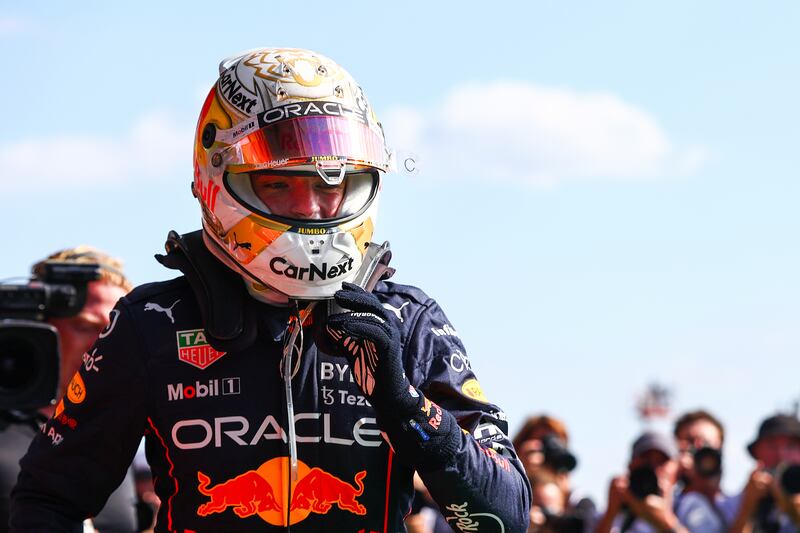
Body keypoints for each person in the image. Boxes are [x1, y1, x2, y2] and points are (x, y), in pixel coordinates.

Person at [10, 48, 532, 532]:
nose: (310, 209)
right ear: (217, 181)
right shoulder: (153, 322)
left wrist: (403, 404)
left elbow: (505, 520)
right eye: (279, 183)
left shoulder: (407, 319)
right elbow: (46, 499)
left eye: (330, 184)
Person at [0, 247, 138, 532]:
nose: (100, 343)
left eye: (113, 330)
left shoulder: (118, 436)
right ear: (40, 327)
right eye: (84, 326)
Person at [512, 415, 595, 533]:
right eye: (542, 444)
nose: (550, 451)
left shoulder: (575, 499)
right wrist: (517, 469)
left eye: (556, 443)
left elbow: (588, 524)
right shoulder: (508, 485)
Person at [596, 431, 686, 533]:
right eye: (646, 461)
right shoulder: (619, 512)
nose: (654, 469)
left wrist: (666, 521)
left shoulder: (688, 506)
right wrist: (611, 513)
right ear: (630, 465)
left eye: (662, 462)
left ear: (677, 468)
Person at [730, 413, 800, 533]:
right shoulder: (734, 504)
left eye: (791, 446)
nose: (781, 455)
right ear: (757, 452)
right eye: (771, 446)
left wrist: (792, 508)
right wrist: (748, 506)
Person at [671, 409, 738, 532]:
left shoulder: (740, 505)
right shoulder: (664, 506)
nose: (699, 450)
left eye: (707, 443)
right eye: (690, 442)